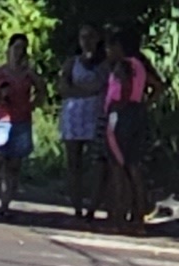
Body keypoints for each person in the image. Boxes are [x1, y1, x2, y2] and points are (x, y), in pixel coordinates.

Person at [103, 34, 156, 226]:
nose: (107, 53)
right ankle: (138, 216)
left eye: (110, 48)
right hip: (137, 114)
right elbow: (157, 87)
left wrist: (119, 106)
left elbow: (123, 88)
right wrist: (143, 104)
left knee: (117, 166)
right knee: (134, 166)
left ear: (118, 47)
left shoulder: (122, 66)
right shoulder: (139, 66)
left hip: (120, 117)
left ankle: (118, 216)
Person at [60, 28, 110, 221]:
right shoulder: (72, 62)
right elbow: (63, 87)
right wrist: (85, 90)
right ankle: (77, 206)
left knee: (98, 163)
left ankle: (93, 205)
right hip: (73, 117)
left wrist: (78, 89)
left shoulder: (105, 64)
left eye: (91, 37)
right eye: (83, 37)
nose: (87, 41)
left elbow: (101, 86)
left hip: (96, 117)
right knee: (74, 163)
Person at [0, 39, 38, 211]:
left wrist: (33, 104)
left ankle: (5, 205)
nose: (19, 52)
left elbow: (42, 89)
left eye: (22, 49)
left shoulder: (29, 74)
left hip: (21, 120)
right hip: (0, 119)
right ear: (8, 49)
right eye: (16, 48)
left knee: (14, 165)